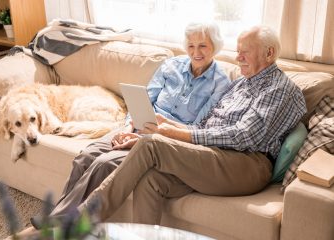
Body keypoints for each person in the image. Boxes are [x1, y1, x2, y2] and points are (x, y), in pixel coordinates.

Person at [70, 25, 307, 224]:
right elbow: (204, 127)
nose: (238, 58)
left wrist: (170, 134)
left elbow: (245, 136)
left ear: (269, 53)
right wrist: (168, 124)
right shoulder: (242, 84)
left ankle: (76, 223)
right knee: (151, 180)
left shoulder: (280, 88)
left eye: (245, 52)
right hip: (214, 155)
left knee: (152, 145)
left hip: (247, 164)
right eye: (238, 51)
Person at [35, 21, 231, 221]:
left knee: (104, 163)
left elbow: (196, 130)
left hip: (164, 140)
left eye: (203, 45)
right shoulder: (171, 65)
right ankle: (58, 215)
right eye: (191, 45)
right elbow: (144, 99)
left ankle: (60, 222)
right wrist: (128, 126)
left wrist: (150, 134)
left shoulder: (221, 83)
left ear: (214, 46)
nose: (196, 52)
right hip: (138, 123)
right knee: (85, 156)